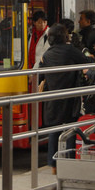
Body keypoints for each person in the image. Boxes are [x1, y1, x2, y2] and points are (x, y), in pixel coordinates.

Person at [38, 23, 90, 175]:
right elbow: (86, 63)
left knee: (54, 130)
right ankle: (70, 160)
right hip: (70, 97)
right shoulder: (70, 51)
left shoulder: (46, 55)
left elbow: (40, 75)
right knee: (71, 129)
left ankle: (53, 165)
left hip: (52, 99)